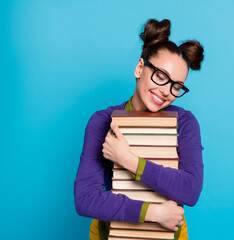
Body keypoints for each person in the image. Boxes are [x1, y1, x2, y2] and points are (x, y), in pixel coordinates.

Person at [74, 19, 204, 240]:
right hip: (110, 234)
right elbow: (86, 199)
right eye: (161, 76)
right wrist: (154, 213)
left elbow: (190, 191)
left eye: (176, 86)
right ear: (140, 68)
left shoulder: (185, 122)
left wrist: (129, 160)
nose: (166, 91)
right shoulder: (102, 121)